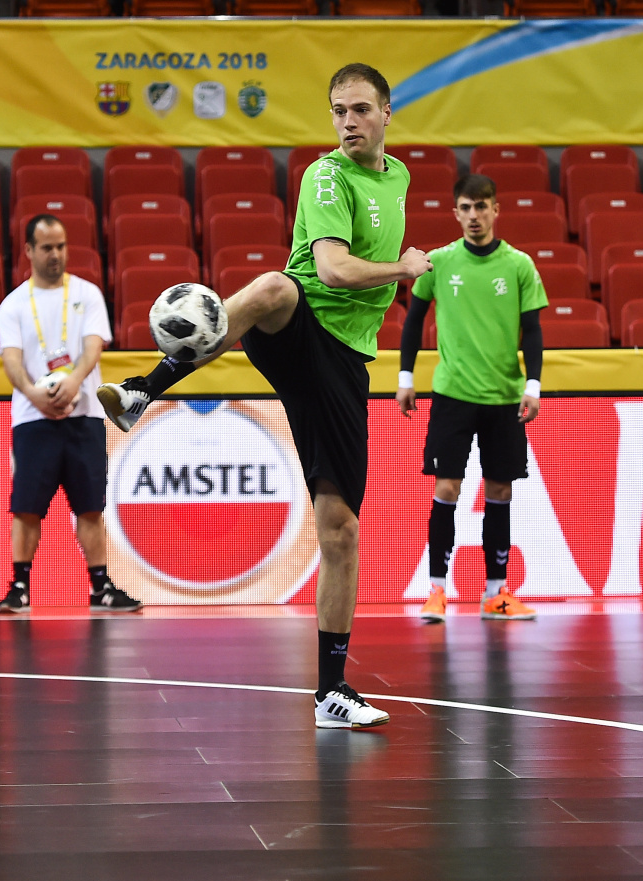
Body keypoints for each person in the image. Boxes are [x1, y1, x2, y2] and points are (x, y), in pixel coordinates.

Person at [95, 63, 432, 729]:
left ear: (387, 113)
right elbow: (333, 269)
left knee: (341, 529)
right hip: (302, 328)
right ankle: (142, 389)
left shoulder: (397, 176)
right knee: (277, 286)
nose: (348, 122)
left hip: (345, 365)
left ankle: (331, 692)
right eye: (338, 110)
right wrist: (405, 267)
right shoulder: (325, 176)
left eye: (361, 109)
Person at [395, 174, 547, 622]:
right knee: (447, 488)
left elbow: (533, 331)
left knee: (500, 490)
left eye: (482, 207)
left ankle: (496, 594)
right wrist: (406, 376)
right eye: (466, 207)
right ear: (456, 212)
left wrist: (533, 385)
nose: (474, 215)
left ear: (495, 209)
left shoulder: (519, 265)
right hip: (453, 396)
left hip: (503, 396)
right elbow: (413, 321)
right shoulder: (439, 262)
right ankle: (437, 591)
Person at [0, 215, 142, 615]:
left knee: (90, 505)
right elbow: (11, 360)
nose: (56, 254)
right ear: (29, 250)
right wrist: (33, 394)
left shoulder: (87, 293)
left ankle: (101, 587)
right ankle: (19, 586)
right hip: (34, 418)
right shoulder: (13, 305)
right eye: (47, 247)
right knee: (26, 506)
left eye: (61, 246)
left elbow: (94, 346)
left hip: (85, 415)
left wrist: (75, 381)